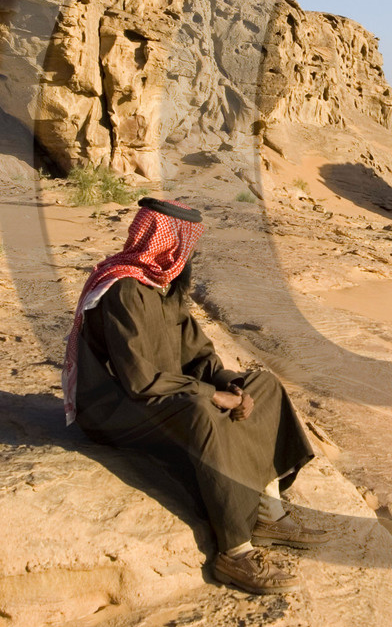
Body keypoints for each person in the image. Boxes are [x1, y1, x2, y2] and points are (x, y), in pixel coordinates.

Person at [62, 195, 327, 594]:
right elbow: (140, 381)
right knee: (203, 409)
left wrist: (229, 385)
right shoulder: (122, 291)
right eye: (185, 244)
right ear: (169, 244)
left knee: (264, 385)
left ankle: (268, 511)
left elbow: (198, 355)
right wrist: (211, 395)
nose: (189, 254)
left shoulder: (165, 290)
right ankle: (234, 552)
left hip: (166, 394)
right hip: (115, 410)